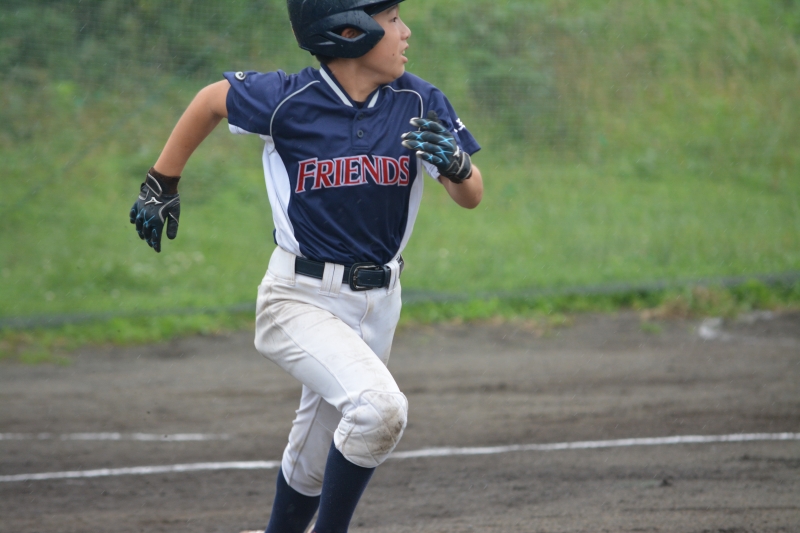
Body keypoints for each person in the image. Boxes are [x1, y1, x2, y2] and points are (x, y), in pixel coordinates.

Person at [129, 1, 483, 531]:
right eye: (392, 21)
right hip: (299, 297)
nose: (406, 32)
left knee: (315, 455)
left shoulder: (418, 101)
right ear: (349, 32)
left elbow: (470, 196)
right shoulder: (288, 98)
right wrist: (162, 182)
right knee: (379, 410)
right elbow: (210, 100)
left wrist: (458, 166)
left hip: (380, 305)